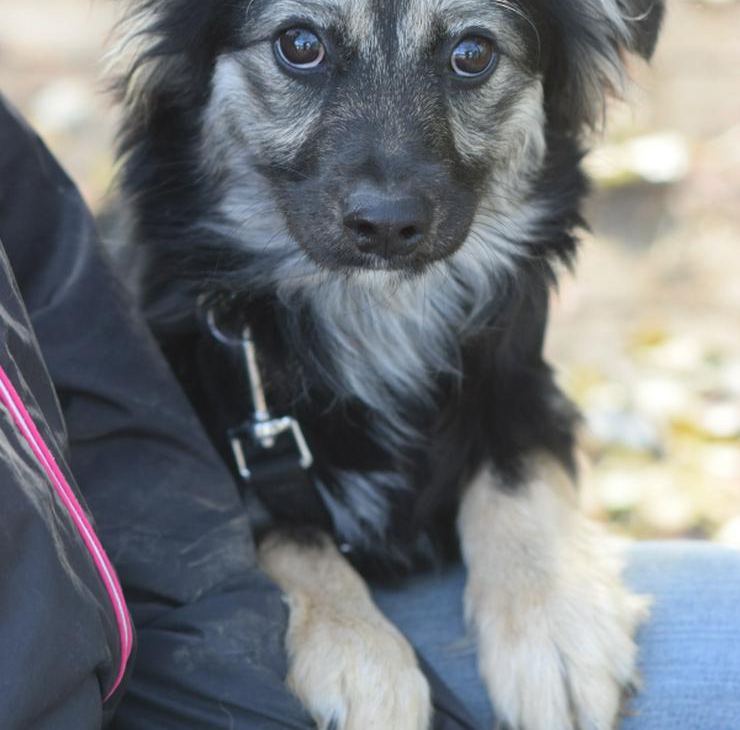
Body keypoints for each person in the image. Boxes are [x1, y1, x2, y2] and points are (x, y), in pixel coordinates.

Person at [0, 92, 738, 729]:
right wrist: (303, 582)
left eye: (471, 55)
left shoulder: (40, 254)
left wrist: (527, 530)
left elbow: (98, 461)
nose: (388, 195)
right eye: (302, 47)